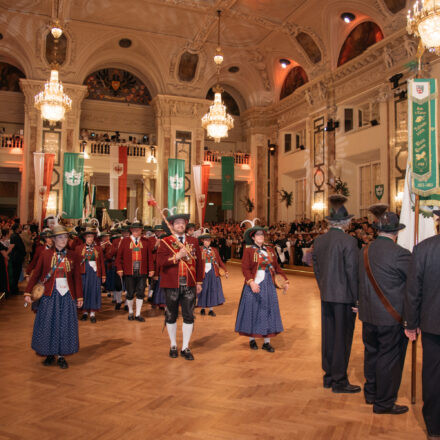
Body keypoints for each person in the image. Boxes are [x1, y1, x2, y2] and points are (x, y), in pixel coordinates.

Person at [358, 204, 410, 414]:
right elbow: (413, 284)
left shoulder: (364, 250)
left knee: (371, 353)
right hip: (391, 317)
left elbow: (358, 280)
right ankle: (384, 403)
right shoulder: (401, 254)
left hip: (368, 314)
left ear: (377, 230)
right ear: (396, 232)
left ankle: (371, 394)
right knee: (389, 359)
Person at [312, 195, 360, 393]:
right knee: (342, 338)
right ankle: (340, 381)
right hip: (345, 298)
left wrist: (323, 286)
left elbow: (316, 267)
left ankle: (329, 376)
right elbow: (352, 273)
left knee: (329, 336)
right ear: (346, 223)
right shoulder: (349, 242)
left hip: (327, 295)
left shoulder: (320, 240)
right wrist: (357, 298)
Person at [24, 225, 83, 369]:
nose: (63, 240)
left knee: (65, 325)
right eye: (60, 237)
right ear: (54, 239)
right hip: (50, 295)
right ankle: (49, 353)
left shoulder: (73, 255)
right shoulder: (45, 255)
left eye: (65, 237)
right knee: (48, 325)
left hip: (67, 295)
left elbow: (77, 278)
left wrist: (79, 297)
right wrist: (27, 292)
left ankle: (62, 356)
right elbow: (36, 274)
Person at [405, 209, 440, 439]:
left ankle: (434, 427)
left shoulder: (424, 249)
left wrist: (411, 323)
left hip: (432, 324)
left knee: (433, 375)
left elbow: (413, 291)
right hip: (431, 323)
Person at [235, 221, 289, 352]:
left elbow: (276, 267)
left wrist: (285, 281)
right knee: (252, 311)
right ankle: (252, 339)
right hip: (253, 284)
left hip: (268, 285)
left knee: (268, 312)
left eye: (262, 235)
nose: (261, 237)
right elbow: (245, 268)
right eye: (258, 235)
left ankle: (266, 342)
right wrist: (251, 282)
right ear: (253, 237)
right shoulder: (248, 251)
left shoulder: (270, 250)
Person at [157, 214, 203, 360]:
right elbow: (161, 262)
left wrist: (199, 282)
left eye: (183, 223)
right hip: (171, 284)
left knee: (189, 315)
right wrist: (177, 256)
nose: (180, 225)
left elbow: (199, 263)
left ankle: (185, 347)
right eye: (177, 223)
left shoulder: (193, 241)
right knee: (171, 315)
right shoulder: (165, 242)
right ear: (171, 226)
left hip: (189, 283)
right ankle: (173, 345)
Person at [116, 220, 151, 322]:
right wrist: (119, 268)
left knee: (141, 292)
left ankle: (138, 314)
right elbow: (119, 257)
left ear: (141, 230)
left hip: (142, 271)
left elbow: (149, 257)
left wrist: (151, 269)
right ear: (131, 230)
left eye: (138, 230)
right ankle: (131, 312)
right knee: (130, 293)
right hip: (129, 271)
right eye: (134, 230)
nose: (136, 231)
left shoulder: (146, 241)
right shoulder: (125, 241)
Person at [76, 226, 106, 323]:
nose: (90, 238)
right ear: (85, 237)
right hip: (83, 273)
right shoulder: (79, 248)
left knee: (94, 292)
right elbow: (76, 262)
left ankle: (92, 313)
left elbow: (101, 262)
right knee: (84, 291)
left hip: (95, 273)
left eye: (92, 237)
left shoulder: (98, 248)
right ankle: (84, 312)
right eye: (88, 236)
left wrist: (103, 275)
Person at [197, 230, 228, 316]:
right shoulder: (199, 250)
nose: (208, 242)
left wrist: (225, 270)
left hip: (213, 272)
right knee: (203, 290)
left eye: (209, 240)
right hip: (203, 273)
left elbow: (220, 261)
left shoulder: (214, 250)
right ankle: (202, 308)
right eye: (206, 240)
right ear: (202, 241)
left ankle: (211, 309)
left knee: (212, 290)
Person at [105, 229, 124, 310]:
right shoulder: (116, 241)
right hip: (117, 265)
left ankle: (121, 301)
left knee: (124, 285)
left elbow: (109, 255)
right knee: (118, 284)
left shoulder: (117, 241)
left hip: (125, 265)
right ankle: (118, 300)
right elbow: (109, 255)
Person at [8, 223, 26, 295]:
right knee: (16, 274)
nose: (21, 229)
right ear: (17, 228)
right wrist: (23, 253)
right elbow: (18, 247)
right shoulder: (14, 236)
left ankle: (15, 289)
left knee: (17, 274)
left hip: (17, 257)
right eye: (20, 227)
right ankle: (14, 290)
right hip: (16, 258)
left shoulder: (15, 235)